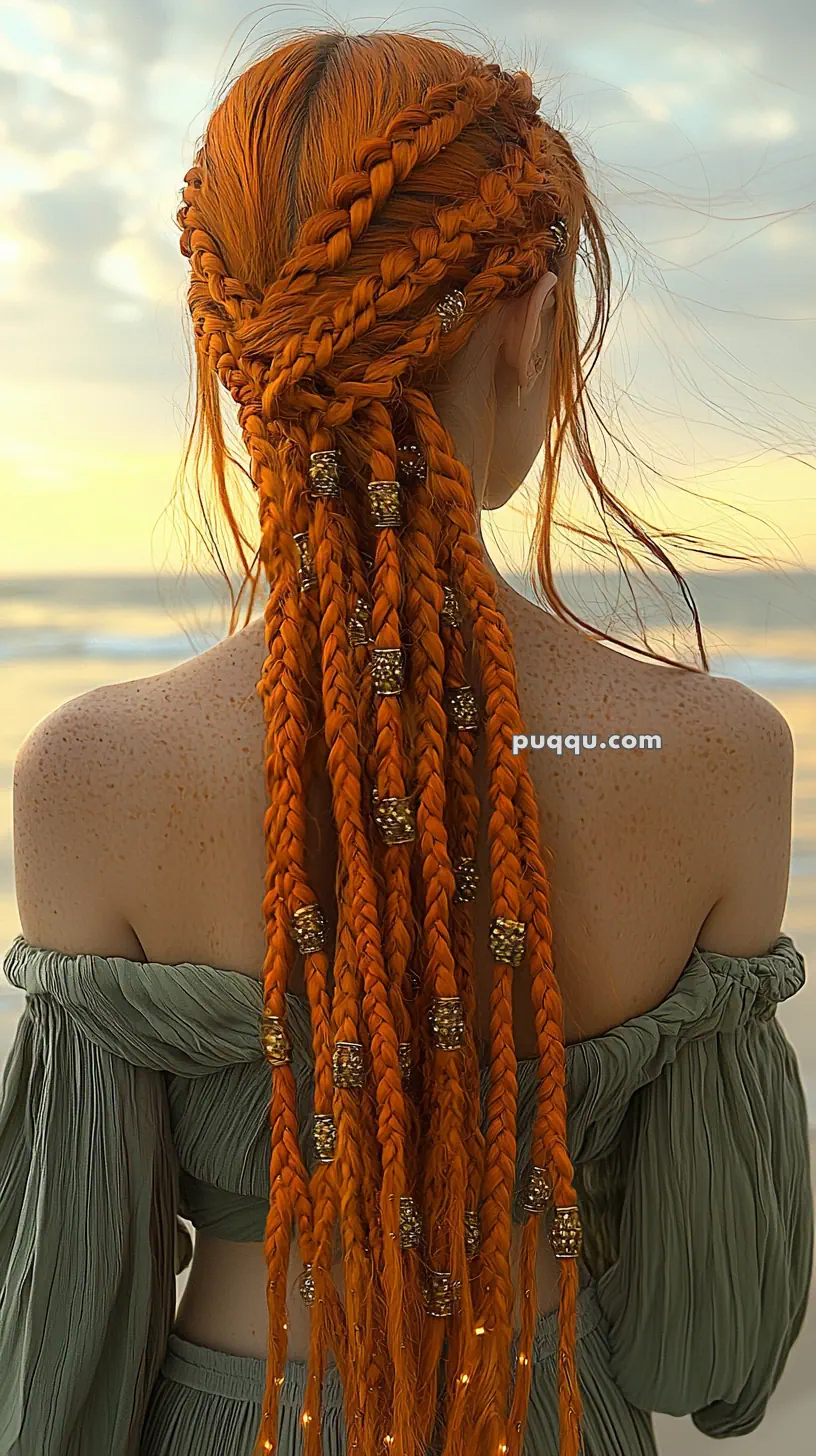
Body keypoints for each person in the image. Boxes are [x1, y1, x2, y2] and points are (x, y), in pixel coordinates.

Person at [0, 29, 812, 1456]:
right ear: (531, 318)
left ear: (234, 349)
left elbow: (62, 1345)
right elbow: (714, 1344)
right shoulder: (717, 758)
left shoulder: (93, 775)